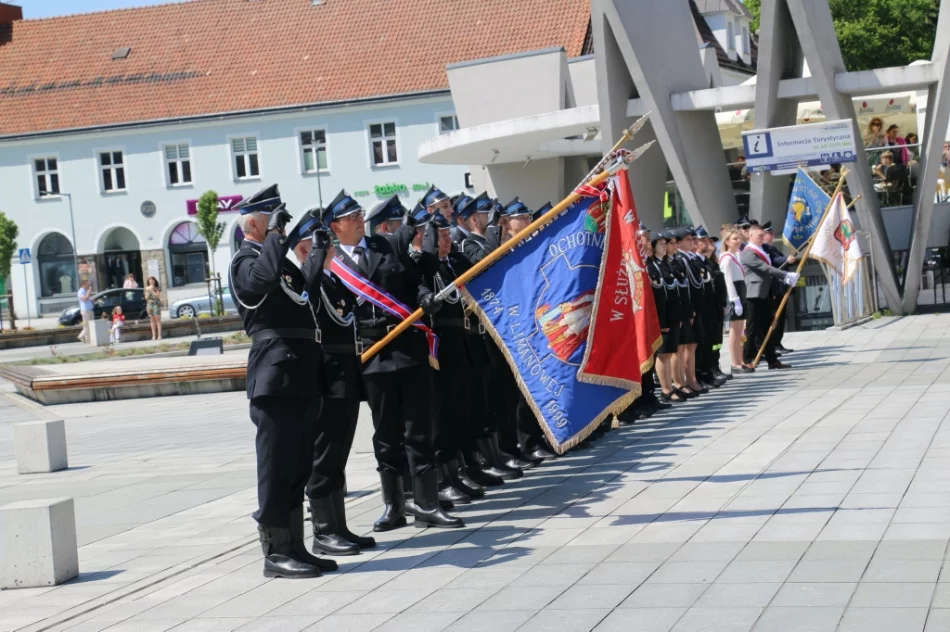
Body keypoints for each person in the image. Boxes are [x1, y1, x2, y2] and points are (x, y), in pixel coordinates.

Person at [324, 189, 463, 532]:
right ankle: (394, 505)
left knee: (419, 430)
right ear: (335, 227)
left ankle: (428, 504)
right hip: (372, 357)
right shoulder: (333, 264)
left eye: (359, 214)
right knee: (386, 435)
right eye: (351, 217)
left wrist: (425, 297)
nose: (359, 221)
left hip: (408, 349)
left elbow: (412, 283)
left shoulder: (384, 247)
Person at [230, 184, 337, 579]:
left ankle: (296, 546)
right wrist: (274, 237)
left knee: (297, 465)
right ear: (255, 224)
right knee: (276, 468)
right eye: (275, 220)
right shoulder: (244, 259)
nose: (283, 229)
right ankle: (275, 553)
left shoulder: (277, 259)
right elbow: (260, 283)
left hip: (300, 371)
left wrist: (319, 252)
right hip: (274, 375)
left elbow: (301, 295)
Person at [283, 209, 377, 557]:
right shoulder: (309, 282)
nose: (332, 248)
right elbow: (305, 298)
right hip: (327, 377)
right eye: (323, 244)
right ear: (307, 250)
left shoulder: (332, 281)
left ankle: (339, 525)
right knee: (324, 457)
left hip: (346, 373)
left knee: (338, 455)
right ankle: (323, 531)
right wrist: (313, 263)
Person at [740, 223, 798, 370]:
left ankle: (772, 360)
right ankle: (746, 358)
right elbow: (764, 268)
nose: (762, 238)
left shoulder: (762, 250)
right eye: (759, 236)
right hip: (754, 293)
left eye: (763, 235)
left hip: (765, 292)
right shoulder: (748, 251)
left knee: (768, 326)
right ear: (750, 236)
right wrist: (785, 275)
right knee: (752, 328)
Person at [647, 231, 683, 402]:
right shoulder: (651, 265)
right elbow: (657, 297)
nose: (664, 246)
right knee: (663, 354)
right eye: (660, 243)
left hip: (672, 314)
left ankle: (672, 385)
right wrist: (661, 321)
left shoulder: (665, 264)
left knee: (670, 353)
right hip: (663, 317)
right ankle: (666, 389)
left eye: (664, 243)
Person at [719, 224, 750, 374]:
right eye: (734, 238)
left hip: (740, 292)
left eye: (739, 238)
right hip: (734, 294)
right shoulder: (726, 258)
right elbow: (728, 280)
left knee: (739, 330)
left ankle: (740, 360)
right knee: (734, 330)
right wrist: (734, 299)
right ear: (727, 241)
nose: (738, 241)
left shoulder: (735, 256)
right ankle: (734, 363)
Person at [762, 221, 796, 354]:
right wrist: (787, 259)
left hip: (780, 286)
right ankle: (774, 343)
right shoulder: (764, 249)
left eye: (772, 233)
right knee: (775, 317)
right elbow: (774, 262)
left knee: (781, 317)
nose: (772, 235)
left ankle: (777, 342)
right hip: (773, 287)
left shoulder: (772, 248)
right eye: (769, 233)